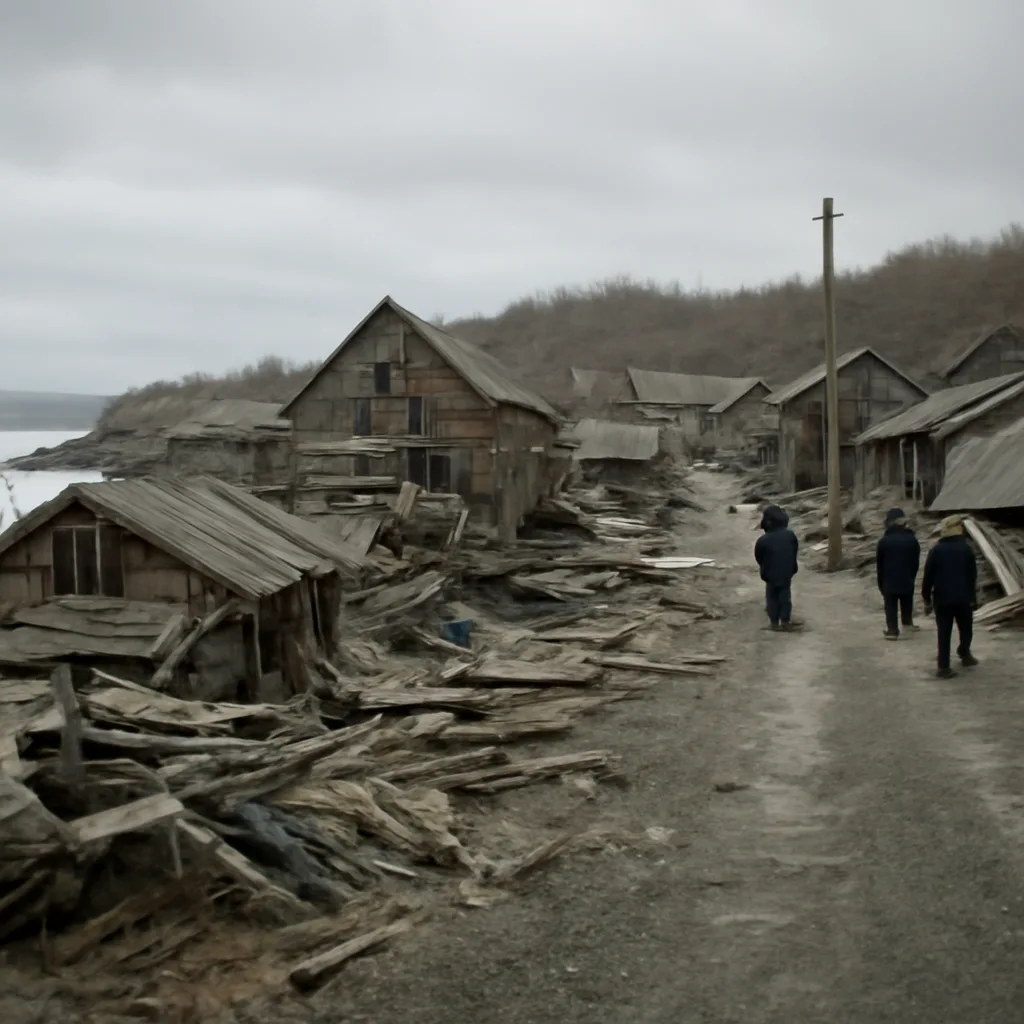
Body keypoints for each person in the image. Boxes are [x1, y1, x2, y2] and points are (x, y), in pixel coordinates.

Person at [921, 514, 979, 678]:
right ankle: (965, 653)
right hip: (963, 597)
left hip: (942, 598)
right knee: (966, 628)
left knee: (944, 632)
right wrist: (973, 598)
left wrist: (926, 599)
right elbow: (972, 576)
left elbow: (928, 577)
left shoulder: (936, 551)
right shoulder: (966, 549)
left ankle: (943, 666)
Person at [875, 507, 921, 639]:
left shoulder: (884, 541)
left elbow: (880, 564)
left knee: (891, 606)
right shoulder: (912, 540)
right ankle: (907, 624)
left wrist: (881, 583)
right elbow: (915, 562)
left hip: (889, 579)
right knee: (907, 600)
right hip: (907, 577)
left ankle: (892, 630)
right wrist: (912, 575)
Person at [754, 504, 799, 630]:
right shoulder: (790, 536)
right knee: (785, 596)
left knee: (772, 597)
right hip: (786, 573)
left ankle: (774, 622)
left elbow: (758, 556)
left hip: (770, 573)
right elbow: (794, 551)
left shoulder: (763, 540)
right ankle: (785, 621)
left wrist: (765, 567)